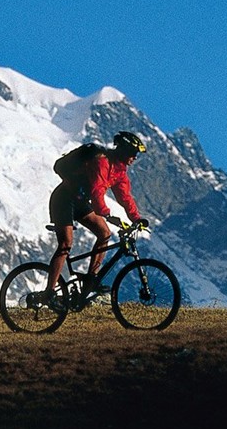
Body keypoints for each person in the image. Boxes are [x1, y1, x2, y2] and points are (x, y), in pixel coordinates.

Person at [45, 130, 149, 305]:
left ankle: (91, 280)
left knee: (104, 234)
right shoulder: (102, 162)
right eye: (133, 153)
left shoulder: (120, 171)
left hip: (80, 201)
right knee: (66, 243)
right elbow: (97, 192)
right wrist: (106, 213)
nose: (135, 158)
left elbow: (125, 197)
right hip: (63, 199)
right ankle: (48, 294)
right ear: (123, 150)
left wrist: (136, 218)